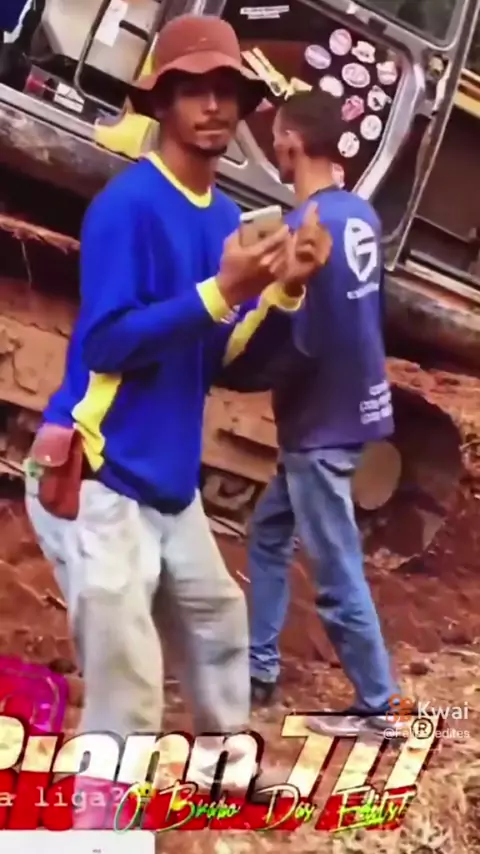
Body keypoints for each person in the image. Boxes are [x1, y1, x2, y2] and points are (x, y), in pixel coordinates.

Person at [23, 16, 328, 823]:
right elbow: (109, 341)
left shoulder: (224, 219)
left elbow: (225, 358)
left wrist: (284, 290)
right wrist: (223, 291)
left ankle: (225, 769)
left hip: (167, 483)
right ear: (161, 101)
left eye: (227, 91)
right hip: (100, 470)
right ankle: (97, 827)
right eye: (195, 90)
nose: (214, 106)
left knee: (219, 624)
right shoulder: (128, 206)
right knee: (127, 669)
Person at [223, 89, 402, 739]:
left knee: (336, 567)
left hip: (320, 425)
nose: (275, 146)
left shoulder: (303, 230)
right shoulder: (360, 215)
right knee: (270, 532)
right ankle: (259, 668)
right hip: (355, 408)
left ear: (291, 142)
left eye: (277, 136)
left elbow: (295, 339)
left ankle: (379, 708)